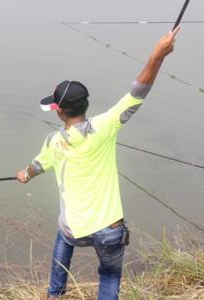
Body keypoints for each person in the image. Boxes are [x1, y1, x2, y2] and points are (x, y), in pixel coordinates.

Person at [16, 27, 180, 299]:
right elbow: (139, 92)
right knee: (110, 275)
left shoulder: (53, 142)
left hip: (73, 230)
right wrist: (157, 56)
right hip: (109, 231)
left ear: (59, 112)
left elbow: (35, 168)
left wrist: (23, 175)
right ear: (86, 105)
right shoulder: (105, 126)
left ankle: (54, 294)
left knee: (63, 239)